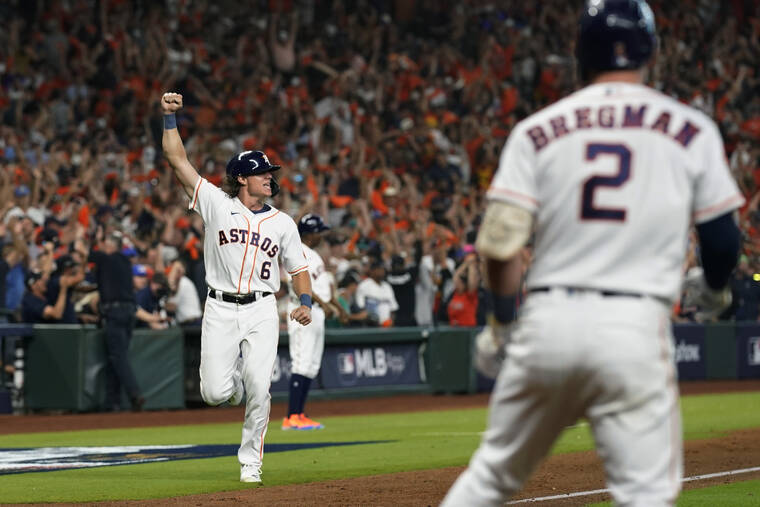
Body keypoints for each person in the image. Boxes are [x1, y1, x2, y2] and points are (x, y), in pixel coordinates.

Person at [442, 1, 744, 506]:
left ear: (579, 51)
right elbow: (722, 238)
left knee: (489, 480)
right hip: (634, 324)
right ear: (650, 50)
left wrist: (500, 325)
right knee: (644, 495)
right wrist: (715, 293)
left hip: (547, 321)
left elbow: (498, 242)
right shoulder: (690, 127)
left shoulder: (538, 128)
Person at [161, 91, 313, 484]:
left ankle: (251, 464)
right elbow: (178, 160)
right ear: (242, 178)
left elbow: (298, 269)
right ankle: (233, 388)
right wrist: (168, 118)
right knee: (214, 392)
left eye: (271, 172)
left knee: (261, 388)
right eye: (263, 172)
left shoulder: (283, 223)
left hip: (263, 308)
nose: (270, 177)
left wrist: (306, 301)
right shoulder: (215, 202)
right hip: (220, 308)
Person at [282, 213, 348, 431]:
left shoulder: (314, 255)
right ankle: (291, 416)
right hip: (303, 312)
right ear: (310, 234)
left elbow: (323, 286)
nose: (322, 235)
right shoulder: (298, 252)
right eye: (319, 232)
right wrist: (325, 305)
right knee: (301, 361)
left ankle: (300, 414)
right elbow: (299, 285)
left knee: (311, 365)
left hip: (319, 312)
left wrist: (336, 307)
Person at [77, 231, 146, 412]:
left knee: (118, 356)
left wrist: (86, 238)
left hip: (115, 313)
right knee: (115, 357)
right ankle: (112, 401)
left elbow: (83, 251)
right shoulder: (124, 261)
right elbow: (101, 282)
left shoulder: (106, 259)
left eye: (104, 244)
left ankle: (135, 394)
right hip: (129, 311)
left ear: (110, 246)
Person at [355, 260, 398, 327]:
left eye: (383, 269)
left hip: (387, 326)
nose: (382, 271)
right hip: (370, 326)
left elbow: (393, 309)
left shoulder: (387, 286)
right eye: (379, 269)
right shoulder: (364, 285)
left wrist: (390, 322)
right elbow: (361, 309)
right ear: (372, 271)